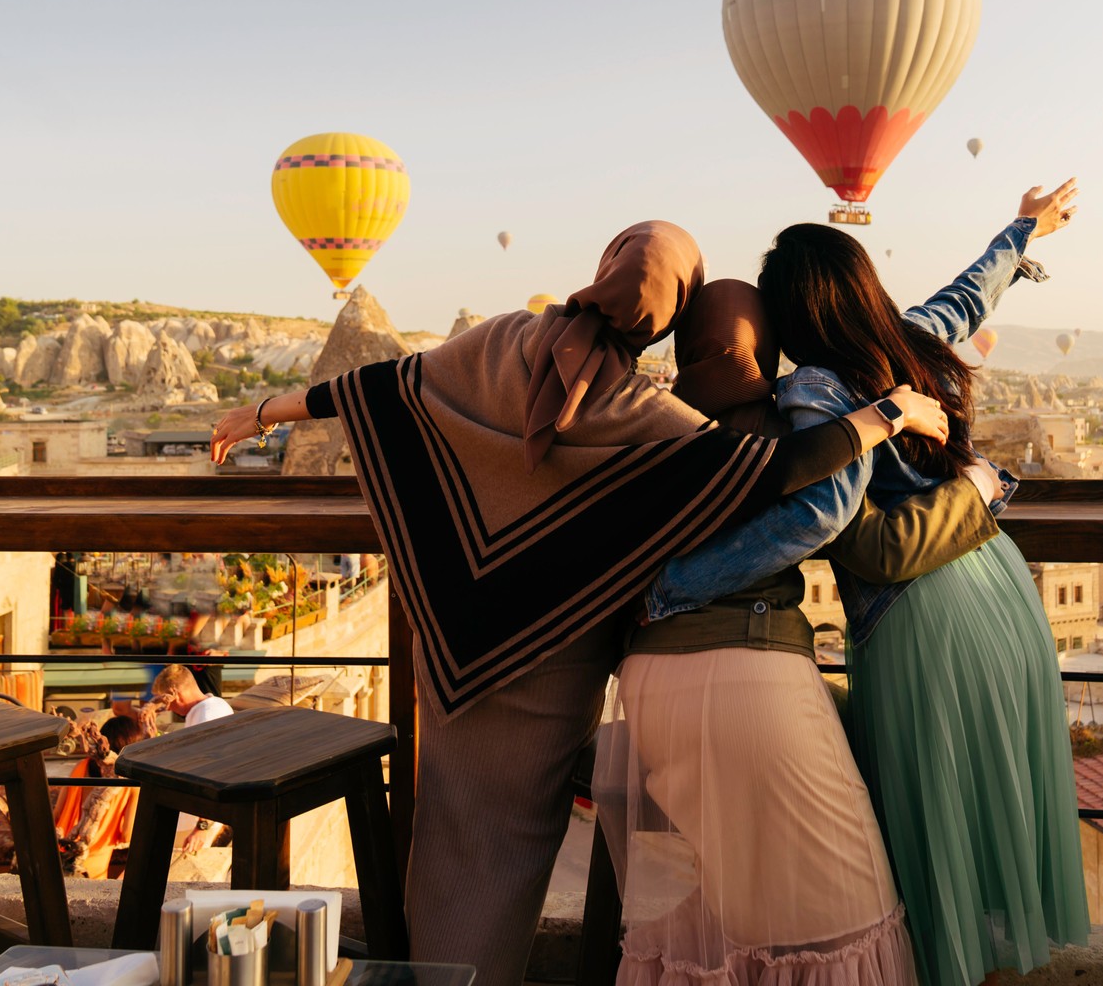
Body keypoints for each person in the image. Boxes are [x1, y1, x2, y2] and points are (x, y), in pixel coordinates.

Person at [210, 220, 949, 986]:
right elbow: (784, 470)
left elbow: (385, 388)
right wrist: (888, 412)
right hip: (556, 655)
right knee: (516, 844)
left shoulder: (504, 340)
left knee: (454, 828)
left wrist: (264, 413)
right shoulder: (640, 414)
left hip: (456, 639)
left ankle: (429, 974)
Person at [645, 184, 1092, 986]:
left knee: (935, 835)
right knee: (986, 806)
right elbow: (965, 297)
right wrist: (1023, 231)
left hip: (924, 613)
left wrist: (676, 584)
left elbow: (839, 525)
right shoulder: (908, 342)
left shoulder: (815, 393)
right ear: (862, 287)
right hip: (999, 584)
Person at [606, 280, 1003, 986]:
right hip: (750, 673)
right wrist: (902, 428)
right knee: (848, 919)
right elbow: (822, 517)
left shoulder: (643, 425)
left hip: (651, 683)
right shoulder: (781, 427)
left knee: (739, 913)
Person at [152, 664, 234, 857]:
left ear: (174, 692)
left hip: (198, 823)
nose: (167, 707)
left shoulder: (207, 715)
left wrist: (202, 826)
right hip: (198, 815)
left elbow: (212, 771)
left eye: (166, 701)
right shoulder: (212, 706)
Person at [56, 715, 149, 878]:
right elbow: (128, 835)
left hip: (60, 854)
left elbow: (57, 813)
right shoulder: (131, 783)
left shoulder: (81, 766)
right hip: (94, 868)